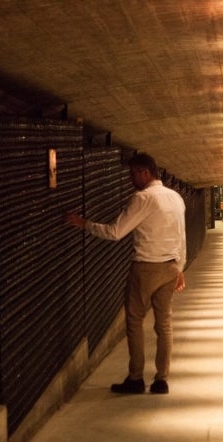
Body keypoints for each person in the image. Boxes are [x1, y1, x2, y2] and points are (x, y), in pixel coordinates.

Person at [66, 152, 186, 395]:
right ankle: (162, 379)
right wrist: (180, 268)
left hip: (146, 267)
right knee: (164, 325)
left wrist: (83, 224)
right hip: (171, 266)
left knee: (134, 321)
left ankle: (136, 378)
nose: (131, 179)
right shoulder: (175, 197)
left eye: (133, 174)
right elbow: (182, 235)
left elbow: (115, 232)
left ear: (144, 172)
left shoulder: (143, 198)